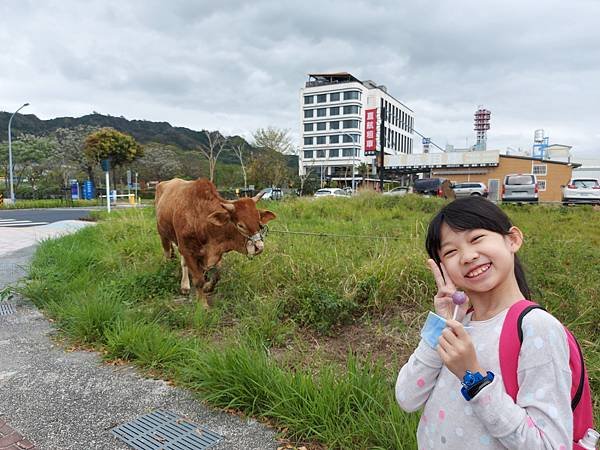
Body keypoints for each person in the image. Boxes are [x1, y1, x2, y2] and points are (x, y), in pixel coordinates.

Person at [395, 196, 573, 449]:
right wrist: (443, 323)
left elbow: (549, 445)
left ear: (512, 239)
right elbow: (407, 397)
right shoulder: (459, 322)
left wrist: (475, 378)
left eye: (476, 238)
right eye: (451, 252)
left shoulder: (537, 328)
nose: (467, 256)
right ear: (443, 267)